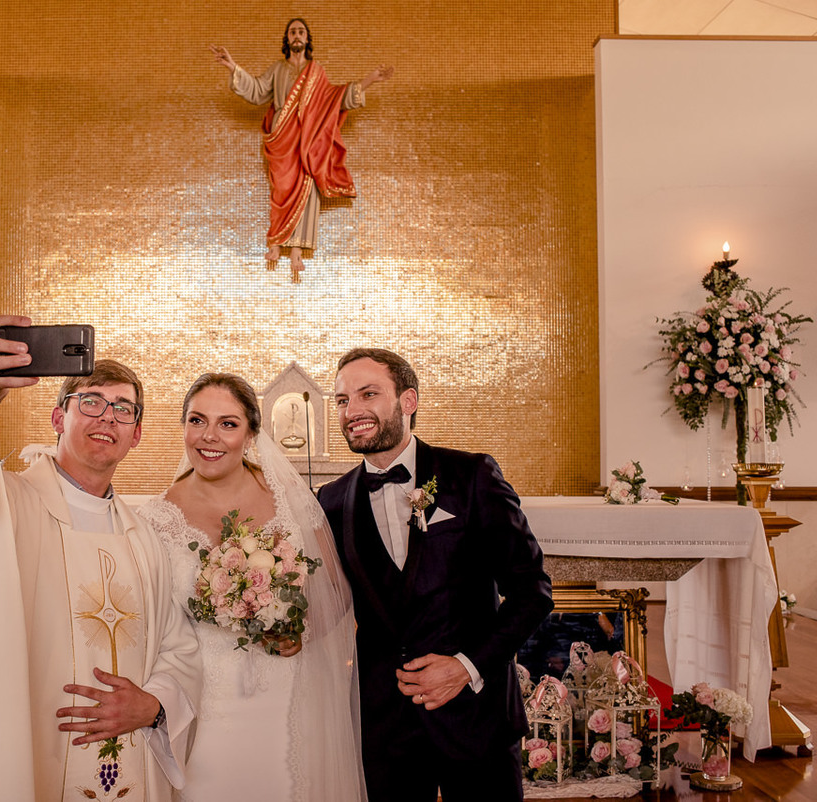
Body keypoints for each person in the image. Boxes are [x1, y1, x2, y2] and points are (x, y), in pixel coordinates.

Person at [0, 315, 201, 802]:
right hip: (32, 749)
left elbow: (179, 645)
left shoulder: (145, 536)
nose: (107, 417)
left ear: (137, 435)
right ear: (57, 417)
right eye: (91, 402)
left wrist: (153, 706)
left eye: (123, 409)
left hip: (131, 755)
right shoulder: (13, 508)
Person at [317, 348, 553, 801]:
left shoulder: (472, 475)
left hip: (476, 717)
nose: (353, 411)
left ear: (408, 401)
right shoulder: (331, 500)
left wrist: (466, 667)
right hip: (384, 728)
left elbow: (532, 593)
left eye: (369, 394)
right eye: (343, 400)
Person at [139, 373, 366, 801]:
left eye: (228, 423)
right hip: (206, 706)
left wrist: (303, 630)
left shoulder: (292, 501)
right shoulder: (155, 518)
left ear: (251, 433)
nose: (209, 436)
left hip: (290, 697)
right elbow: (154, 627)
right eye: (196, 420)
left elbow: (335, 592)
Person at [210, 19, 392, 282]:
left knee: (308, 182)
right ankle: (275, 241)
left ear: (307, 39)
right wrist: (232, 66)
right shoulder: (277, 69)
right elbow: (258, 91)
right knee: (282, 187)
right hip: (282, 134)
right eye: (292, 32)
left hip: (309, 135)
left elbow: (335, 97)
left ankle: (297, 247)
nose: (297, 36)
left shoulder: (317, 72)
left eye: (301, 32)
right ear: (287, 39)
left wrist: (369, 81)